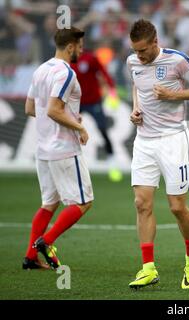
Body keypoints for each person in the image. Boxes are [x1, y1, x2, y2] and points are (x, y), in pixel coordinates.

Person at [126, 19, 189, 290]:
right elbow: (137, 87)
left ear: (155, 42)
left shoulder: (177, 61)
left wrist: (174, 95)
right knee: (142, 203)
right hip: (144, 141)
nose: (139, 56)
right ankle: (148, 268)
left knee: (176, 207)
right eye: (135, 51)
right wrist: (135, 109)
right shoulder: (132, 63)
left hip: (173, 140)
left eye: (143, 50)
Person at [23, 27, 93, 270]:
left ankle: (30, 258)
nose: (81, 52)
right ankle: (47, 242)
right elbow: (54, 109)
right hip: (63, 148)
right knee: (83, 202)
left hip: (43, 148)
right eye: (80, 47)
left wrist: (68, 117)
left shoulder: (41, 70)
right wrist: (78, 127)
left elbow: (31, 109)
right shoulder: (66, 73)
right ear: (71, 46)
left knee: (48, 204)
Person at [71, 48, 122, 182]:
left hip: (94, 101)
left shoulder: (90, 58)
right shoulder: (67, 61)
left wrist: (112, 89)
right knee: (68, 130)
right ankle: (69, 164)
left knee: (103, 130)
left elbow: (104, 72)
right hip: (76, 102)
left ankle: (112, 163)